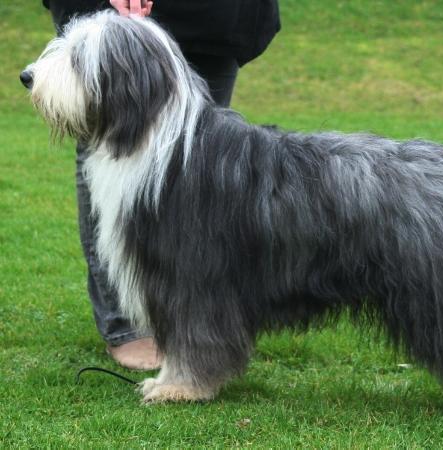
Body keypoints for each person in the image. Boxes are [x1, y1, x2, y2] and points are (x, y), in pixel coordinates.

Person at [42, 0, 280, 369]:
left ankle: (201, 343)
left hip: (213, 20)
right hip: (112, 9)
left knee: (208, 211)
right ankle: (131, 326)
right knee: (112, 142)